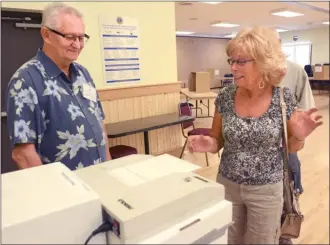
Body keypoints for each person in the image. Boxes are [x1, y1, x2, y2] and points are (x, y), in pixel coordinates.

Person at [187, 26, 323, 244]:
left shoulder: (282, 97)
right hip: (228, 184)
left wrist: (299, 135)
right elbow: (218, 138)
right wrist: (209, 143)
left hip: (266, 190)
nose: (233, 67)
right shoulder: (225, 96)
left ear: (262, 63)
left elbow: (293, 148)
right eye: (231, 60)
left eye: (241, 61)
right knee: (229, 240)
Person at [6, 3, 111, 171]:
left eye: (81, 38)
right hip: (64, 190)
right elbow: (23, 154)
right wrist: (54, 193)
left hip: (98, 178)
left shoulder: (83, 74)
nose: (77, 45)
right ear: (46, 35)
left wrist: (108, 168)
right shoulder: (25, 81)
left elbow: (99, 123)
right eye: (70, 37)